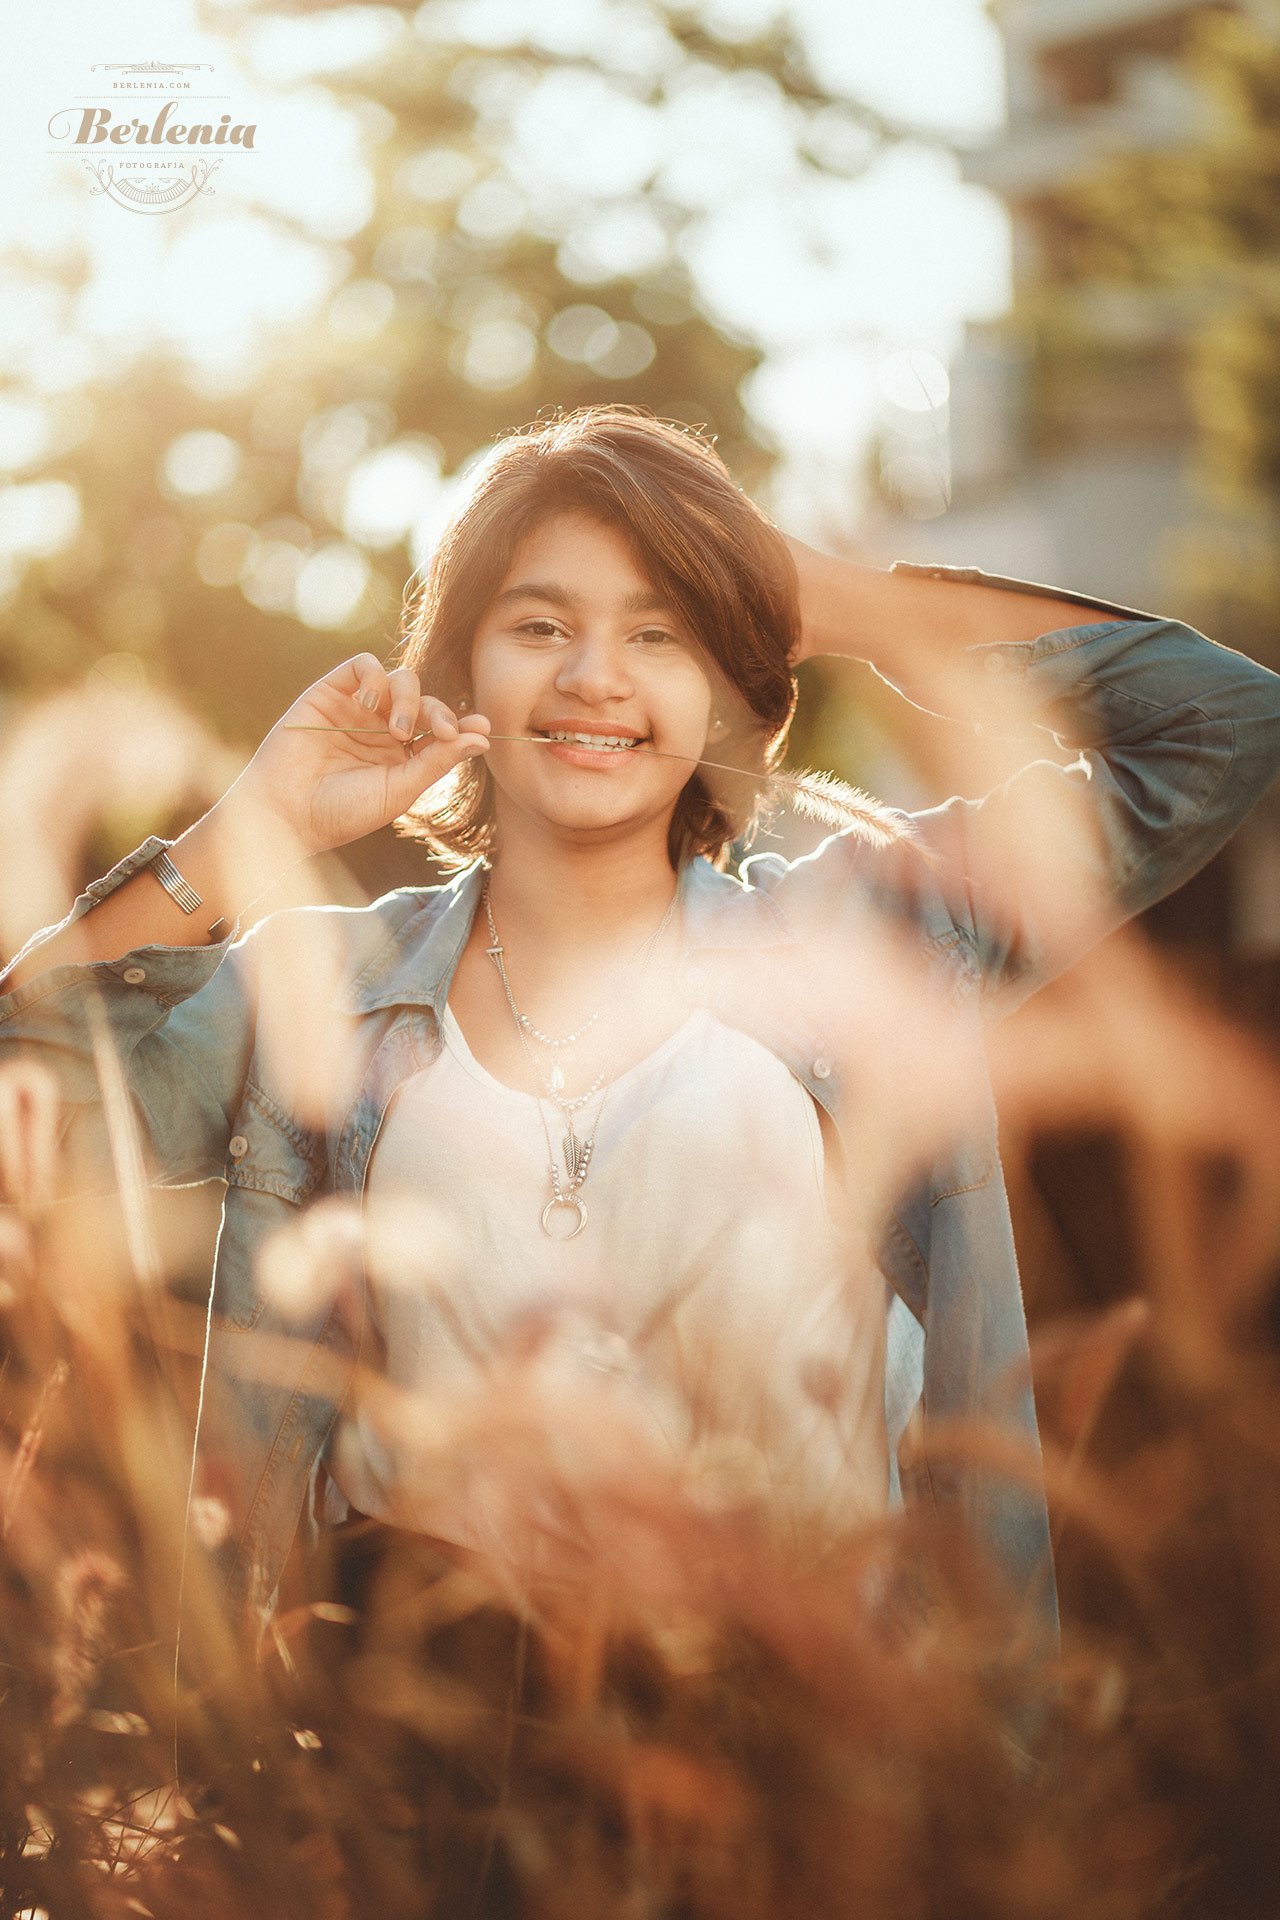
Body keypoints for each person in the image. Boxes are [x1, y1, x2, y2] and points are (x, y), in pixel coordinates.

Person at [2, 407, 1278, 1647]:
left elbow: (1220, 724)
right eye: (539, 623)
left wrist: (830, 598)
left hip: (803, 1745)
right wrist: (250, 828)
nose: (593, 676)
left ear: (728, 690)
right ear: (460, 674)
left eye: (660, 634)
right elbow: (27, 1096)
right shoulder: (319, 983)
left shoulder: (865, 947)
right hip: (411, 1762)